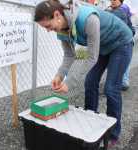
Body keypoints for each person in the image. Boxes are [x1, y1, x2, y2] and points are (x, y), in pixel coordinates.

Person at [34, 0, 133, 147]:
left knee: (111, 89)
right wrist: (59, 75)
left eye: (48, 26)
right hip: (102, 47)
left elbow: (91, 57)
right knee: (90, 82)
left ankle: (113, 133)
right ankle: (89, 123)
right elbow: (69, 56)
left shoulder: (88, 19)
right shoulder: (61, 28)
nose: (48, 30)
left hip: (121, 43)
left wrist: (69, 83)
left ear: (57, 15)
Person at [107, 0, 135, 91]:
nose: (112, 1)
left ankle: (123, 82)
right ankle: (121, 82)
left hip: (125, 41)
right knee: (122, 63)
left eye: (115, 0)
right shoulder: (115, 9)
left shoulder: (122, 9)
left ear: (120, 1)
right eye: (111, 0)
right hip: (123, 39)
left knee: (123, 62)